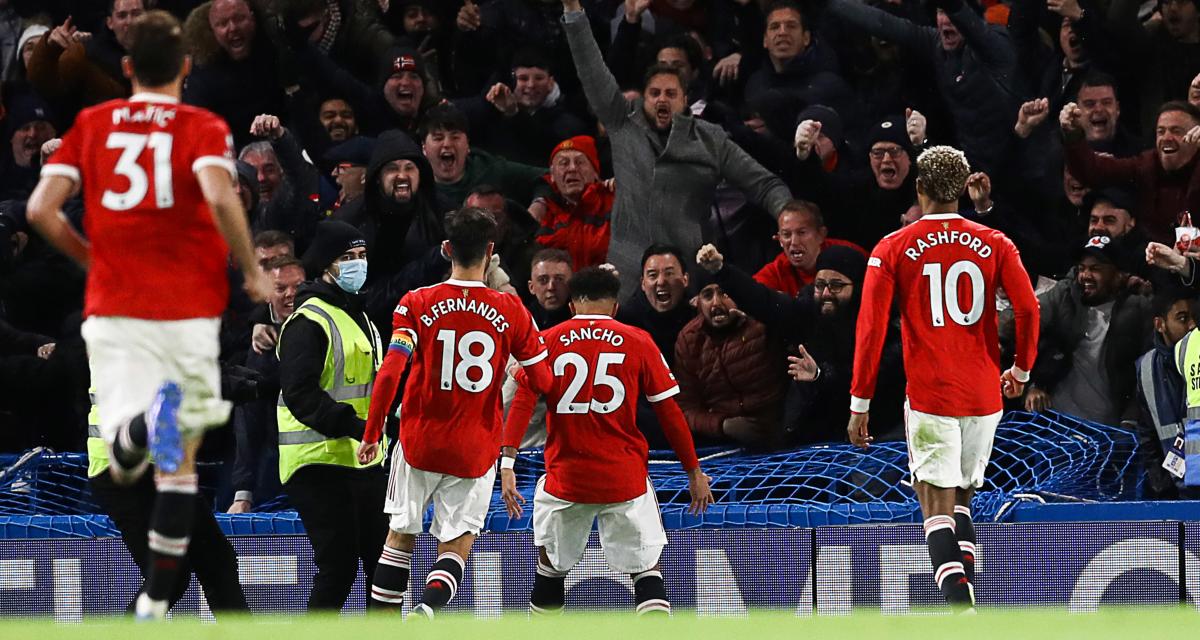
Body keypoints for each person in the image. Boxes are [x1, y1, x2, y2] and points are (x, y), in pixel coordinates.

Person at [26, 10, 270, 621]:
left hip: (116, 340)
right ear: (187, 66)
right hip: (126, 459)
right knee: (188, 564)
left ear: (127, 67)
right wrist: (250, 268)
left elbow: (40, 209)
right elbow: (218, 194)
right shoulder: (200, 127)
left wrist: (93, 261)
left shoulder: (93, 122)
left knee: (211, 560)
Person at [848, 146, 1040, 612]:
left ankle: (960, 610)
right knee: (961, 505)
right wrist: (1021, 369)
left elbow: (871, 329)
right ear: (962, 188)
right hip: (984, 394)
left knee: (934, 508)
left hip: (932, 395)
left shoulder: (892, 247)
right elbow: (1029, 307)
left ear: (919, 188)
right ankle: (966, 602)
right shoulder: (997, 242)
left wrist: (860, 402)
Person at [358, 207, 553, 617]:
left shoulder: (416, 302)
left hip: (419, 441)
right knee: (457, 543)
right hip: (475, 447)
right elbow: (546, 380)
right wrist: (514, 366)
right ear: (490, 250)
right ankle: (427, 610)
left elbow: (392, 370)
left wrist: (373, 432)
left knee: (399, 539)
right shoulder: (511, 310)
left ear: (446, 249)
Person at [500, 266, 713, 616]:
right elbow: (670, 414)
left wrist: (507, 463)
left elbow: (524, 399)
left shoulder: (549, 341)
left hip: (566, 480)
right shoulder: (638, 340)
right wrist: (693, 472)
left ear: (571, 306)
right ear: (615, 308)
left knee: (550, 568)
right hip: (624, 480)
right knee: (647, 569)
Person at [560, 0, 791, 296]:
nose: (662, 100)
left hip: (691, 279)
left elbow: (764, 184)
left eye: (671, 93)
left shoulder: (711, 139)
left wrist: (787, 216)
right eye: (654, 93)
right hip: (629, 279)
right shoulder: (622, 123)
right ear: (643, 98)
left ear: (685, 100)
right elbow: (591, 68)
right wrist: (572, 11)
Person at [275, 220, 387, 611]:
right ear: (326, 266)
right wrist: (359, 429)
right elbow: (301, 395)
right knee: (338, 566)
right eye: (347, 258)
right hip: (318, 462)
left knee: (384, 568)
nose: (358, 264)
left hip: (362, 459)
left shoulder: (361, 317)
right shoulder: (309, 321)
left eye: (361, 256)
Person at [1018, 236, 1152, 426]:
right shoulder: (1065, 300)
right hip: (1055, 424)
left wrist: (1131, 418)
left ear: (1118, 274)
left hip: (1108, 432)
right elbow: (1023, 328)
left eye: (1095, 268)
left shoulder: (1138, 310)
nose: (1085, 275)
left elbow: (1147, 374)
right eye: (1082, 268)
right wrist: (1033, 386)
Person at [673, 279, 788, 449]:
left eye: (724, 293)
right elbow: (685, 409)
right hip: (723, 442)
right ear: (697, 301)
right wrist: (723, 425)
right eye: (707, 295)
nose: (716, 303)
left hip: (781, 432)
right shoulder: (688, 340)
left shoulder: (762, 321)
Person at [1134, 287, 1197, 499]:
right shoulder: (1145, 368)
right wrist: (1161, 483)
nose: (1192, 325)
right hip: (1177, 491)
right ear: (1160, 324)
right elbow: (1147, 433)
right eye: (1182, 318)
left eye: (1194, 317)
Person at [752, 200, 865, 298]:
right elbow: (748, 293)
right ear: (779, 239)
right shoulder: (777, 271)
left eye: (802, 233)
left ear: (821, 235)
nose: (794, 242)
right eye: (786, 234)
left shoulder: (849, 254)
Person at [533, 135, 614, 272]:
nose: (572, 169)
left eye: (580, 162)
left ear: (595, 172)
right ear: (552, 175)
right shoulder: (545, 215)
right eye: (563, 163)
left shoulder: (614, 200)